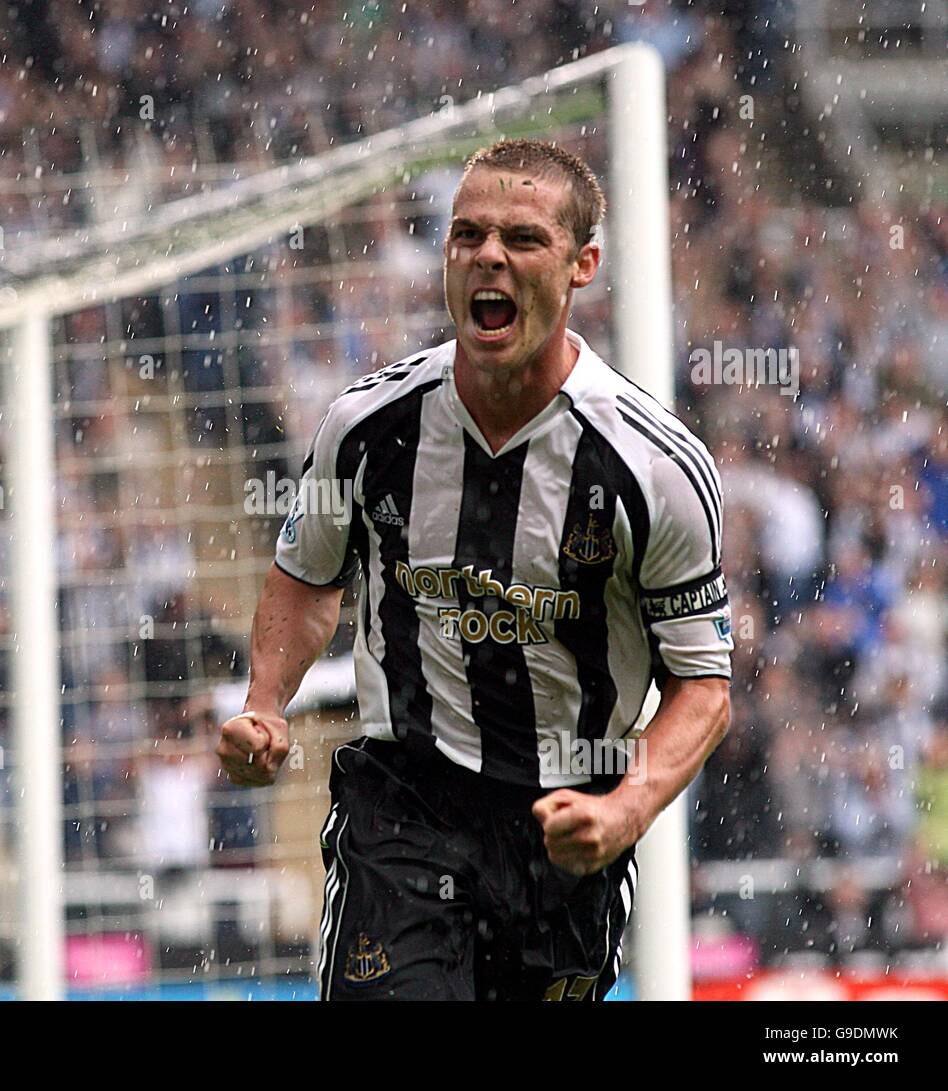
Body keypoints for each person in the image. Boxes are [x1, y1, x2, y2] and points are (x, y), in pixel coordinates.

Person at [216, 138, 732, 1001]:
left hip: (569, 821)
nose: (489, 255)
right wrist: (264, 703)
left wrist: (624, 810)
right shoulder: (367, 427)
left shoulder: (653, 468)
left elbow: (704, 686)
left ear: (582, 265)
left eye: (523, 238)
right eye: (468, 235)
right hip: (406, 808)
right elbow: (307, 578)